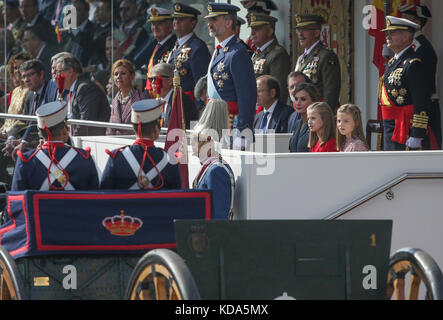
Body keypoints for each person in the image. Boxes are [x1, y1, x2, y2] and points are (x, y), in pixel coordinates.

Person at [11, 101, 99, 191]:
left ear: (39, 132)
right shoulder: (84, 157)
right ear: (64, 131)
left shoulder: (26, 160)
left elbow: (16, 199)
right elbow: (95, 197)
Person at [380, 16, 437, 151]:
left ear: (406, 37)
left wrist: (417, 134)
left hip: (407, 130)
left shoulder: (412, 64)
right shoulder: (392, 62)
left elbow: (421, 101)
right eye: (387, 33)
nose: (388, 36)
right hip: (392, 128)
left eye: (392, 33)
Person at [205, 2, 257, 150]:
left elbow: (247, 96)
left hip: (232, 126)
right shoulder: (220, 51)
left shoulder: (237, 53)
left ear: (228, 23)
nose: (209, 24)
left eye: (214, 20)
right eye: (209, 20)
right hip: (216, 123)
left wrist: (243, 132)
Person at [100, 99, 181, 190]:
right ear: (156, 129)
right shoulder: (170, 160)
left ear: (134, 128)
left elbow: (103, 194)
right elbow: (177, 197)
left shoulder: (116, 157)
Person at [399, 3, 441, 149]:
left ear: (416, 23)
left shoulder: (421, 47)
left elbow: (420, 89)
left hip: (422, 109)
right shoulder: (410, 46)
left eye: (406, 19)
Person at [191, 99, 235, 220]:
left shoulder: (216, 171)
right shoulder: (210, 167)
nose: (192, 143)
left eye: (197, 139)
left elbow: (218, 216)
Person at [294, 14, 341, 112]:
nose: (300, 34)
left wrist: (324, 117)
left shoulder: (326, 56)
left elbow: (331, 93)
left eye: (305, 29)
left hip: (318, 115)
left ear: (316, 32)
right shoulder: (302, 58)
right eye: (298, 30)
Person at [55, 55, 110, 136]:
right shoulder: (73, 90)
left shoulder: (85, 89)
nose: (56, 76)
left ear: (70, 71)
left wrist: (69, 141)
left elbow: (85, 124)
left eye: (59, 72)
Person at [168, 2, 211, 102]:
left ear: (193, 23)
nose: (176, 21)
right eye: (175, 18)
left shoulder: (198, 47)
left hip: (189, 107)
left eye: (181, 19)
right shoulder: (176, 45)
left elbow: (201, 86)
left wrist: (198, 112)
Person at [249, 13, 290, 104]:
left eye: (257, 29)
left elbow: (280, 91)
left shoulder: (278, 54)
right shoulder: (257, 53)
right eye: (252, 29)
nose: (252, 33)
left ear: (270, 31)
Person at [149, 63, 198, 129]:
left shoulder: (181, 101)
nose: (152, 82)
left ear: (170, 81)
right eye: (151, 79)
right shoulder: (158, 101)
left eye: (156, 79)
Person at [107, 59, 149, 136]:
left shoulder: (142, 98)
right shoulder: (115, 100)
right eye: (116, 74)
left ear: (132, 76)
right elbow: (110, 129)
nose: (119, 77)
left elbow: (145, 129)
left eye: (123, 73)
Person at [144, 7, 176, 95]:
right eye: (153, 24)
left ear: (170, 26)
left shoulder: (174, 45)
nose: (155, 27)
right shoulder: (157, 45)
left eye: (160, 24)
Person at [288, 83, 321, 153]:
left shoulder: (318, 123)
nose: (298, 103)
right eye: (296, 99)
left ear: (313, 102)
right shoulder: (297, 123)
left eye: (303, 99)